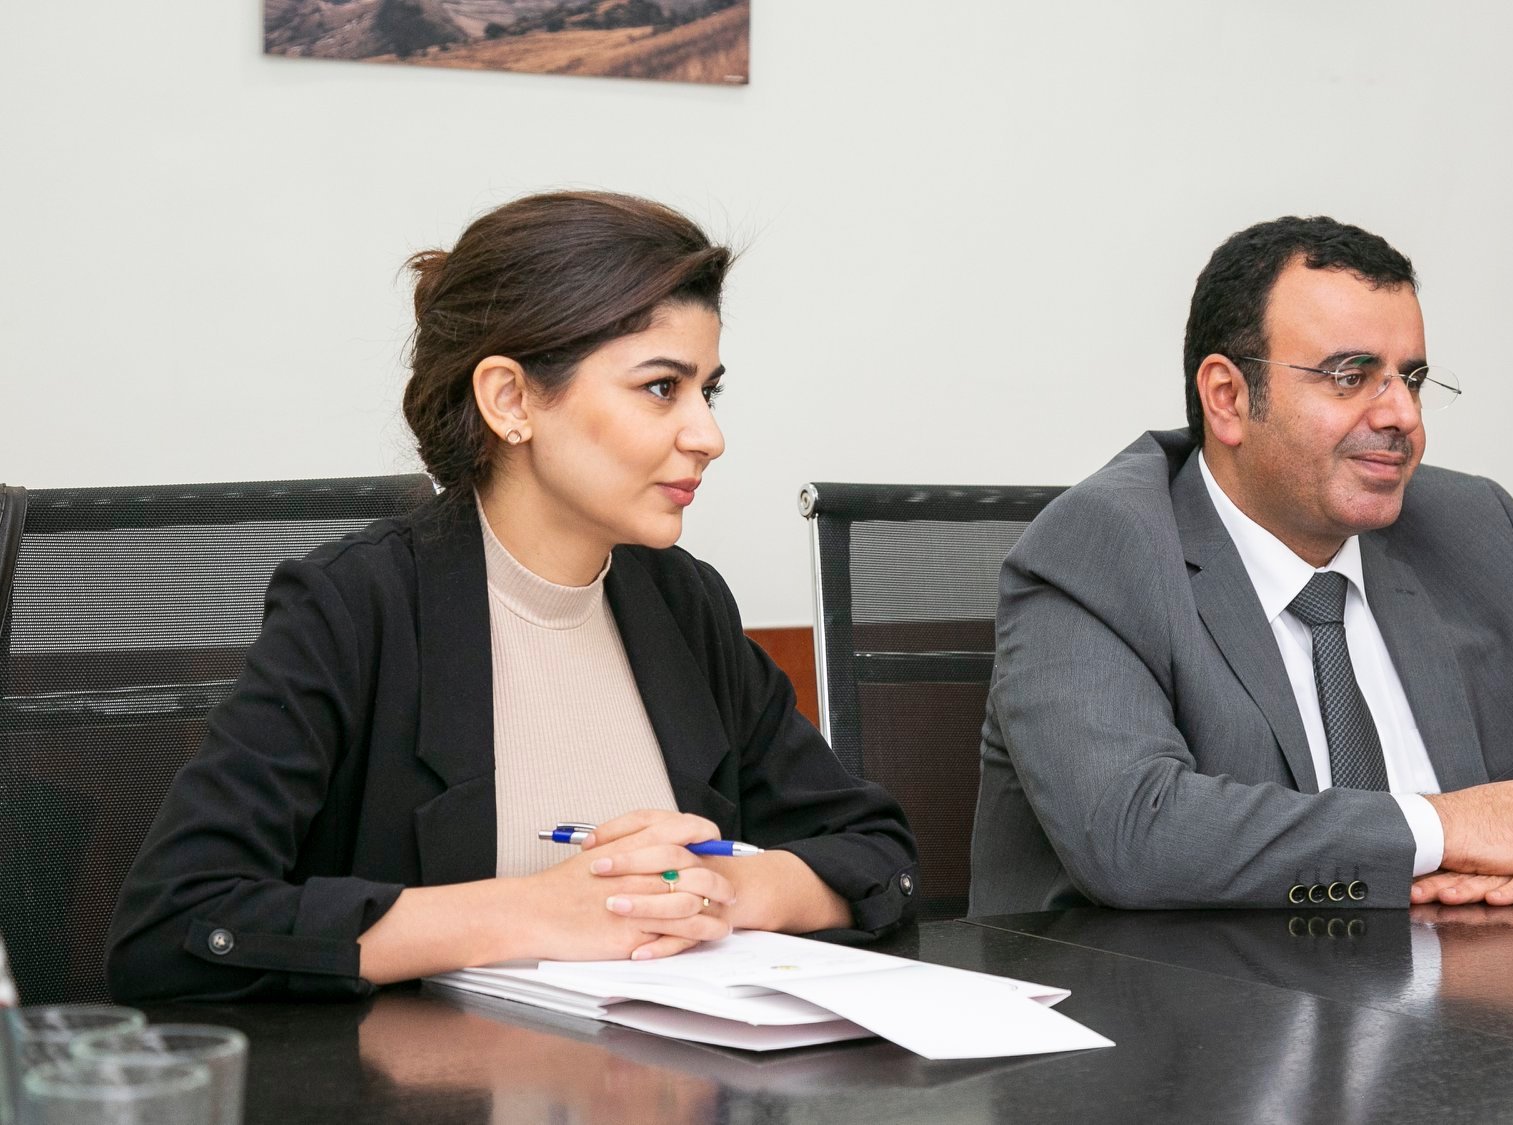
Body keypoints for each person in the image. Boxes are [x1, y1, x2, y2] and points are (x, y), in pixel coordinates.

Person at [107, 191, 916, 1002]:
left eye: (709, 391)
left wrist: (727, 891)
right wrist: (534, 910)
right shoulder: (353, 606)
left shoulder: (682, 602)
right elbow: (176, 927)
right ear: (510, 400)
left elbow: (874, 852)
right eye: (661, 387)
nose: (708, 435)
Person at [970, 216, 1513, 915]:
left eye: (1410, 378)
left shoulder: (1468, 533)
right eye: (1349, 376)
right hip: (1179, 1010)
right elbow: (1132, 832)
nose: (1401, 415)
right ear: (1227, 398)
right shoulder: (1100, 549)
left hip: (1461, 1001)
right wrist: (1442, 829)